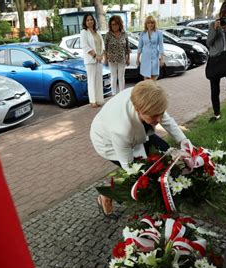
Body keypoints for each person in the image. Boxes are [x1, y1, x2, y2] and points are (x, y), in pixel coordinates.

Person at [90, 80, 189, 217]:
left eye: (160, 113)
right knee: (141, 179)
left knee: (166, 154)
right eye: (154, 116)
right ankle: (107, 194)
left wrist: (183, 141)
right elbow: (129, 165)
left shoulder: (145, 96)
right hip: (108, 143)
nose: (159, 119)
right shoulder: (121, 129)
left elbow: (165, 119)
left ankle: (170, 194)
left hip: (133, 132)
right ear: (138, 109)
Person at [80, 13, 105, 108]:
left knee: (99, 80)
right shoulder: (84, 32)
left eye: (91, 19)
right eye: (88, 20)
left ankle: (99, 100)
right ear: (85, 22)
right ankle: (93, 101)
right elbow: (85, 46)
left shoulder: (97, 32)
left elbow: (102, 44)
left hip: (99, 60)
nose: (90, 21)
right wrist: (95, 55)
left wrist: (101, 55)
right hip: (91, 60)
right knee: (91, 80)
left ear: (94, 21)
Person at [104, 15, 131, 95]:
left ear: (119, 24)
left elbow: (127, 47)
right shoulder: (108, 35)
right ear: (110, 25)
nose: (115, 26)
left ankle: (121, 94)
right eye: (113, 24)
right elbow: (105, 48)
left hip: (122, 58)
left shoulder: (124, 34)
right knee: (113, 76)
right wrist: (105, 59)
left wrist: (128, 58)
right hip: (111, 59)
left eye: (116, 24)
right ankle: (114, 94)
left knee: (121, 76)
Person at [136, 16, 165, 80]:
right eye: (148, 23)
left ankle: (152, 90)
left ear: (154, 23)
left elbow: (161, 46)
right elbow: (140, 46)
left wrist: (162, 58)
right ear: (146, 24)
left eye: (152, 23)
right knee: (146, 78)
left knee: (153, 78)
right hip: (145, 58)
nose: (150, 24)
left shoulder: (159, 33)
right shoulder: (142, 33)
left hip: (154, 57)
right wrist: (137, 58)